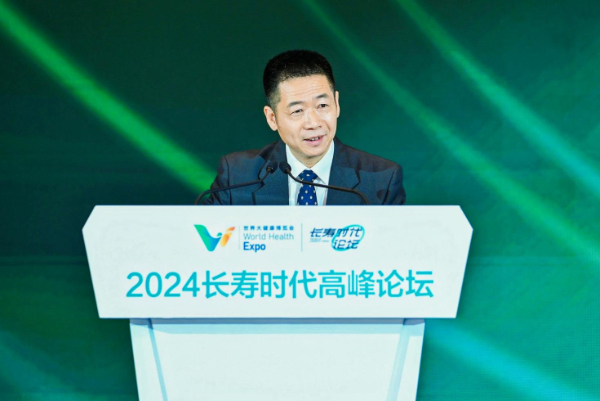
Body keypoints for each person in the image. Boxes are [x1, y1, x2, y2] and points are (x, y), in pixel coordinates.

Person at [201, 50, 405, 206]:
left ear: (336, 104)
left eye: (322, 105)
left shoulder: (381, 179)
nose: (314, 123)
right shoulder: (237, 176)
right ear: (272, 118)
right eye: (297, 111)